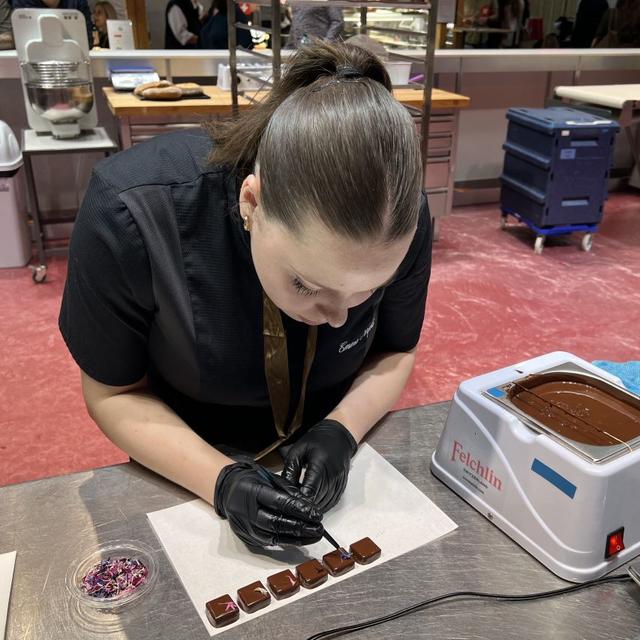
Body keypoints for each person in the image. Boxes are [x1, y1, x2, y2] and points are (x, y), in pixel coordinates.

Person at [59, 41, 431, 549]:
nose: (342, 317)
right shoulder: (133, 215)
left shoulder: (399, 220)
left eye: (369, 290)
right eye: (306, 284)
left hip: (328, 456)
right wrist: (222, 481)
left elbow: (396, 350)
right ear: (251, 202)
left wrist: (342, 431)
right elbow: (113, 392)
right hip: (180, 457)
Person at [12, 0, 93, 48]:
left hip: (74, 63)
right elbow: (20, 43)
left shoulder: (77, 2)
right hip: (32, 64)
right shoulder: (22, 2)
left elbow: (87, 42)